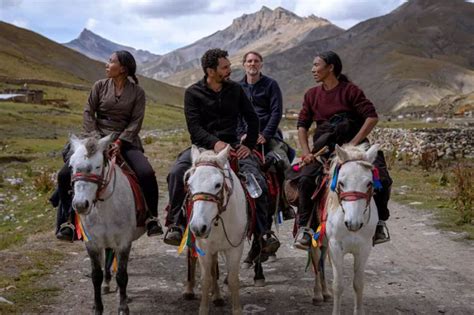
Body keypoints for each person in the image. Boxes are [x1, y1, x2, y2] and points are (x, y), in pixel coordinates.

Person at [164, 48, 275, 257]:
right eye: (224, 67)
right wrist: (214, 143)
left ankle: (263, 233)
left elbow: (253, 119)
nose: (229, 70)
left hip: (233, 148)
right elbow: (194, 127)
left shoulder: (236, 90)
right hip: (201, 148)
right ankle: (176, 224)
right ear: (210, 71)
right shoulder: (192, 93)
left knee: (257, 180)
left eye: (228, 66)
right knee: (176, 174)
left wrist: (248, 146)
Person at [55, 50, 163, 240]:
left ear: (123, 68)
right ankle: (68, 222)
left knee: (146, 173)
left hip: (125, 140)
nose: (106, 64)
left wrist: (120, 141)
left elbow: (136, 121)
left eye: (110, 61)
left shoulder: (137, 93)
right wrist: (96, 140)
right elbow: (89, 112)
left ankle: (152, 218)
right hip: (95, 140)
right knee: (65, 174)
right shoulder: (99, 86)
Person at [294, 50, 392, 249]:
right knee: (305, 180)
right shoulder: (312, 95)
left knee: (382, 178)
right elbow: (302, 125)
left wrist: (354, 144)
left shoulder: (350, 91)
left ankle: (380, 224)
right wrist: (306, 152)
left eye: (316, 65)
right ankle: (305, 228)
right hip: (325, 150)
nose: (313, 69)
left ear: (330, 68)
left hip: (357, 148)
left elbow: (371, 117)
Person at [237, 51, 295, 262]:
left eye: (256, 61)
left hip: (268, 135)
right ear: (243, 65)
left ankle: (286, 205)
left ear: (261, 64)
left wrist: (265, 135)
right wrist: (243, 135)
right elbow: (235, 114)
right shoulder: (237, 88)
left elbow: (276, 112)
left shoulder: (271, 85)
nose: (252, 64)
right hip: (243, 136)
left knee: (281, 159)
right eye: (249, 61)